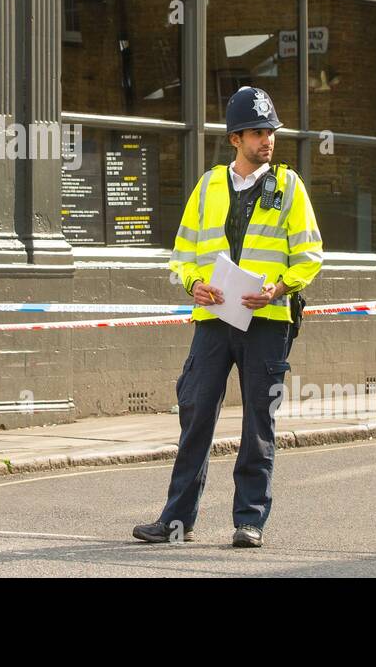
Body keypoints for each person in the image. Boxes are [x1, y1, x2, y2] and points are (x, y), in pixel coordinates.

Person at [133, 86, 323, 548]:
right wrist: (193, 283)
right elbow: (182, 253)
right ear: (235, 138)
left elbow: (310, 254)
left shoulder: (290, 186)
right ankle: (176, 522)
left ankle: (250, 521)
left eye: (270, 132)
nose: (267, 140)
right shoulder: (208, 186)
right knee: (195, 413)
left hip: (268, 322)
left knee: (260, 421)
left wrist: (279, 287)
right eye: (257, 132)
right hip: (215, 318)